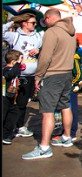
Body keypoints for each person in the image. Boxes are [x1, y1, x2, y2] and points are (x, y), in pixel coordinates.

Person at [22, 8, 76, 160]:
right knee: (65, 106)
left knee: (47, 111)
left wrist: (38, 76)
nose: (44, 23)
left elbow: (45, 57)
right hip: (66, 73)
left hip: (52, 75)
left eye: (44, 20)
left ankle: (44, 147)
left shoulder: (51, 32)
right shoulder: (70, 32)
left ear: (48, 18)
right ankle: (66, 137)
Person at [2, 12, 43, 141]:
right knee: (10, 101)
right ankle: (8, 128)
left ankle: (19, 127)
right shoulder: (15, 36)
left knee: (23, 102)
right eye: (33, 23)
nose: (35, 25)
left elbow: (46, 48)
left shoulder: (38, 36)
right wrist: (12, 22)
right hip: (16, 75)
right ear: (25, 23)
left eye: (35, 23)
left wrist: (39, 50)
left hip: (31, 74)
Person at [2, 49, 23, 145]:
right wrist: (18, 64)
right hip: (4, 98)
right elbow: (10, 74)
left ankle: (6, 135)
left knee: (13, 115)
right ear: (13, 61)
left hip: (12, 98)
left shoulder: (15, 70)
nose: (22, 62)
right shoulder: (6, 69)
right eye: (20, 60)